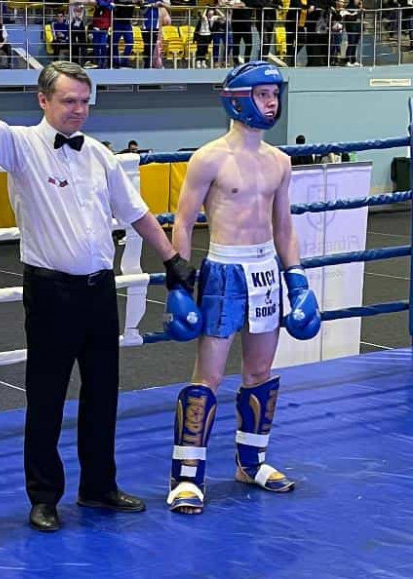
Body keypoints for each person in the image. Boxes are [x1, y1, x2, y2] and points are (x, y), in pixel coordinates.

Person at [0, 61, 198, 532]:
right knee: (47, 398)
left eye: (84, 101)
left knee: (102, 394)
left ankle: (98, 487)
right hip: (50, 292)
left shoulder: (99, 154)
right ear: (43, 100)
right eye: (68, 101)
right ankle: (43, 497)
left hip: (99, 291)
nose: (78, 110)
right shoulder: (21, 145)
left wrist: (173, 260)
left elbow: (136, 213)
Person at [166, 61, 321, 514]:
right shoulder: (209, 157)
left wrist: (297, 279)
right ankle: (186, 476)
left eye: (274, 94)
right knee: (209, 376)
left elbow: (284, 227)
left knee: (259, 372)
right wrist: (179, 283)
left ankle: (250, 463)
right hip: (223, 270)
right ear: (238, 100)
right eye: (262, 94)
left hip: (265, 270)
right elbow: (182, 221)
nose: (271, 103)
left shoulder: (280, 161)